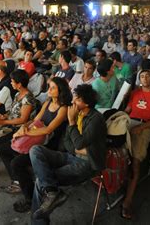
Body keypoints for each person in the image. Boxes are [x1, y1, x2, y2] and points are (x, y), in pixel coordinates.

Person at [29, 84, 106, 223]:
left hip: (87, 163)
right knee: (35, 150)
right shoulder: (77, 114)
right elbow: (67, 143)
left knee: (42, 181)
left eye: (76, 100)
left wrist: (71, 122)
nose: (72, 102)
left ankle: (40, 218)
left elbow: (78, 143)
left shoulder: (96, 119)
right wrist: (78, 148)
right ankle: (53, 193)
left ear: (86, 103)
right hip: (72, 156)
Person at [0, 77, 71, 212]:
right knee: (3, 149)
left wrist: (27, 133)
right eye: (49, 86)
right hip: (34, 137)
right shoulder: (48, 102)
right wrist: (24, 127)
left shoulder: (63, 109)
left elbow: (49, 130)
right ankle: (18, 181)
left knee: (16, 163)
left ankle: (30, 199)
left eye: (53, 87)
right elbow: (35, 119)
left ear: (61, 91)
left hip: (46, 145)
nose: (49, 90)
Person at [122, 69, 150, 220]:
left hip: (144, 126)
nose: (144, 78)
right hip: (130, 122)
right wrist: (119, 117)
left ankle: (127, 201)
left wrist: (140, 128)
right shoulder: (135, 92)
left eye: (147, 76)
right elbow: (128, 110)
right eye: (142, 76)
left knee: (135, 162)